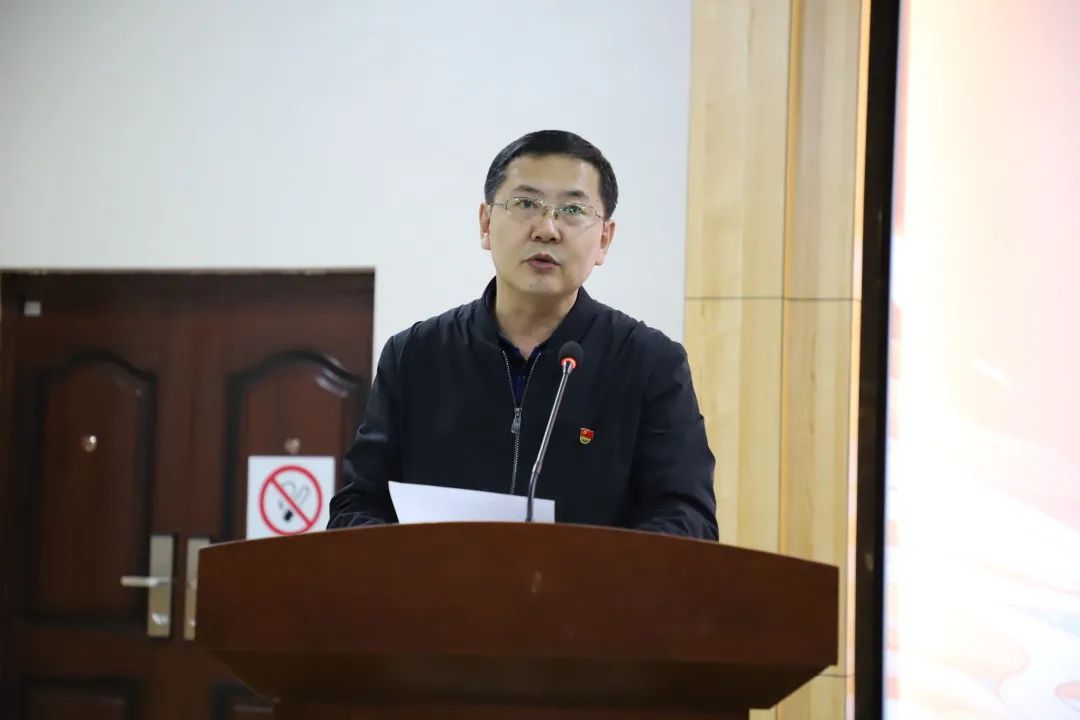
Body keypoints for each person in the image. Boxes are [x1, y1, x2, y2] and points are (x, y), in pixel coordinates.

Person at [327, 130, 718, 540]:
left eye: (572, 209)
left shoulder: (650, 363)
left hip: (591, 584)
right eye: (526, 204)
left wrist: (595, 570)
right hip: (438, 583)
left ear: (604, 239)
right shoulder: (414, 356)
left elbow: (687, 518)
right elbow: (357, 507)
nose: (547, 229)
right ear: (485, 224)